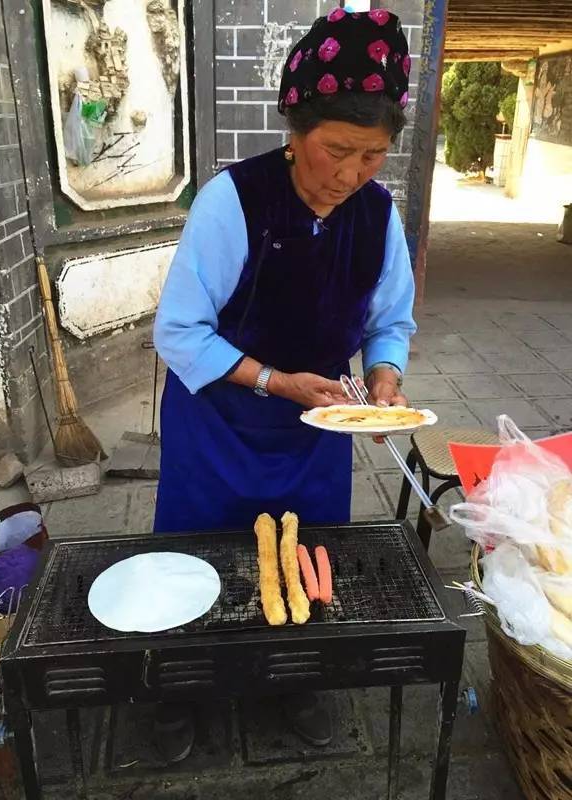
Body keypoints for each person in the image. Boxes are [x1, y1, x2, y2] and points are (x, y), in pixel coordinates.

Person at [153, 7, 417, 762]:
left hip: (317, 431)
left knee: (306, 555)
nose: (348, 174)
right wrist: (273, 379)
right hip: (222, 424)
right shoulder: (232, 202)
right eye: (335, 150)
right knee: (200, 557)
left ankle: (293, 679)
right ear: (294, 130)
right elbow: (178, 332)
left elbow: (390, 321)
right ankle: (181, 686)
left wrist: (384, 378)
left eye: (371, 156)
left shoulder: (377, 215)